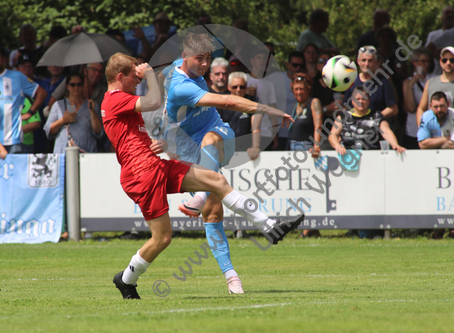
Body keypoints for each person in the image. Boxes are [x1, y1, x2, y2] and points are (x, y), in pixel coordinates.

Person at [102, 52, 303, 299]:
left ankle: (270, 227)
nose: (138, 80)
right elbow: (154, 101)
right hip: (140, 174)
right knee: (163, 238)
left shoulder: (125, 97)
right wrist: (151, 75)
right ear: (120, 76)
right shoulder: (113, 99)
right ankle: (126, 279)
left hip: (154, 165)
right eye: (134, 77)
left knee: (215, 180)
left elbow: (133, 131)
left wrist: (154, 142)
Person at [163, 33, 296, 294]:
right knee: (213, 213)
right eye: (199, 59)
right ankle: (232, 276)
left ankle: (203, 194)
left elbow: (156, 74)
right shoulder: (181, 86)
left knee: (210, 140)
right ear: (184, 57)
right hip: (189, 151)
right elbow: (228, 101)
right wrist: (270, 110)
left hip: (220, 136)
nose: (204, 65)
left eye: (207, 59)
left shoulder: (174, 71)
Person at [417, 91, 454, 239]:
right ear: (431, 106)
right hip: (432, 164)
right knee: (435, 195)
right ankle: (438, 227)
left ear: (448, 105)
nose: (439, 110)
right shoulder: (426, 117)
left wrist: (436, 142)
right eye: (436, 106)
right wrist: (444, 139)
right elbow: (422, 144)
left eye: (442, 106)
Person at [329, 86, 405, 152]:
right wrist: (337, 146)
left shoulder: (377, 116)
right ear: (352, 101)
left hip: (372, 157)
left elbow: (386, 132)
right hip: (348, 158)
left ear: (369, 100)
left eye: (364, 99)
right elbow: (333, 135)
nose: (360, 102)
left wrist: (395, 145)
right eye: (357, 99)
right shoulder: (343, 117)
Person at [0, 48, 47, 153]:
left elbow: (42, 93)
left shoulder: (17, 77)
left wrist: (30, 113)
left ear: (3, 59)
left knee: (14, 169)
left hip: (13, 140)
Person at [44, 73, 104, 153]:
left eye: (79, 84)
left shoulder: (92, 104)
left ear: (83, 86)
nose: (76, 87)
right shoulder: (59, 105)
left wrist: (92, 111)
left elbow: (99, 131)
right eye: (72, 85)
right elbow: (48, 130)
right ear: (67, 86)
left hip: (86, 152)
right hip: (64, 152)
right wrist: (62, 120)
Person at [342, 46, 398, 118]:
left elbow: (394, 109)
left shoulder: (383, 82)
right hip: (354, 126)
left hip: (376, 126)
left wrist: (374, 119)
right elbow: (345, 107)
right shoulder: (351, 81)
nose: (366, 64)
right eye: (363, 60)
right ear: (358, 61)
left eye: (370, 60)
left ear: (375, 61)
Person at [268, 51, 305, 150]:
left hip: (299, 135)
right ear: (288, 65)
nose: (298, 68)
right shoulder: (274, 78)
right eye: (295, 65)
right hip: (278, 133)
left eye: (301, 65)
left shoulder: (306, 81)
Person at [246, 48, 278, 157]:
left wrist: (274, 133)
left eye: (264, 58)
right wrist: (244, 91)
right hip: (245, 130)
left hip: (265, 130)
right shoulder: (243, 79)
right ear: (252, 61)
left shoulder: (269, 83)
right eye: (258, 58)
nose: (262, 61)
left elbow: (272, 109)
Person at [402, 48, 434, 149]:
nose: (426, 64)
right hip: (413, 130)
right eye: (423, 61)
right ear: (415, 63)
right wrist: (411, 85)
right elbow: (410, 108)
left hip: (432, 129)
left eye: (428, 61)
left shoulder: (434, 80)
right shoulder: (408, 82)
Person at [416, 47, 454, 127]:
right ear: (440, 62)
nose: (448, 63)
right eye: (444, 60)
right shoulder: (430, 82)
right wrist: (423, 130)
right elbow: (421, 109)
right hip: (434, 134)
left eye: (452, 60)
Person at [216, 71, 252, 152]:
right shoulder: (220, 103)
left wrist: (255, 146)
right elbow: (216, 127)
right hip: (225, 149)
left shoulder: (252, 101)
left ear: (246, 87)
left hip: (246, 150)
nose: (238, 90)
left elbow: (256, 126)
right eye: (235, 87)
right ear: (229, 87)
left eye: (242, 87)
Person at [16, 53, 42, 154]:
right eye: (23, 66)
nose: (27, 69)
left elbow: (36, 122)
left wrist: (14, 132)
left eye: (30, 66)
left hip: (31, 141)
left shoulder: (40, 87)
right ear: (17, 69)